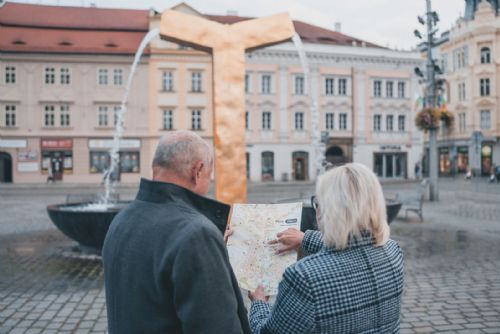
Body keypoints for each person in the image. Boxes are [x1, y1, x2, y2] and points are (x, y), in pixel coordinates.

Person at [102, 130, 250, 334]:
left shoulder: (122, 219)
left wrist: (212, 255)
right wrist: (206, 247)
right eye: (209, 176)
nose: (208, 184)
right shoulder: (196, 234)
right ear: (197, 171)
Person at [248, 163, 404, 333]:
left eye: (318, 203)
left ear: (328, 210)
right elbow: (355, 246)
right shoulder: (393, 252)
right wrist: (305, 238)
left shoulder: (304, 277)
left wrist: (259, 303)